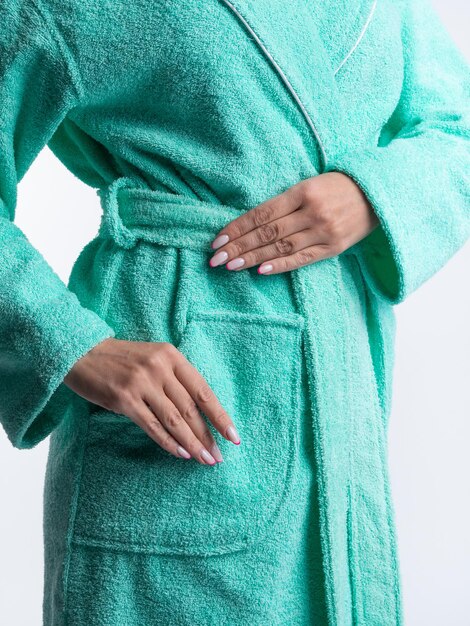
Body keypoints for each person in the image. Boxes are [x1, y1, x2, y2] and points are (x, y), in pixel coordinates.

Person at [0, 0, 468, 624]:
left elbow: (455, 128)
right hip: (177, 426)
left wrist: (373, 195)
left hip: (345, 408)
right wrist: (67, 343)